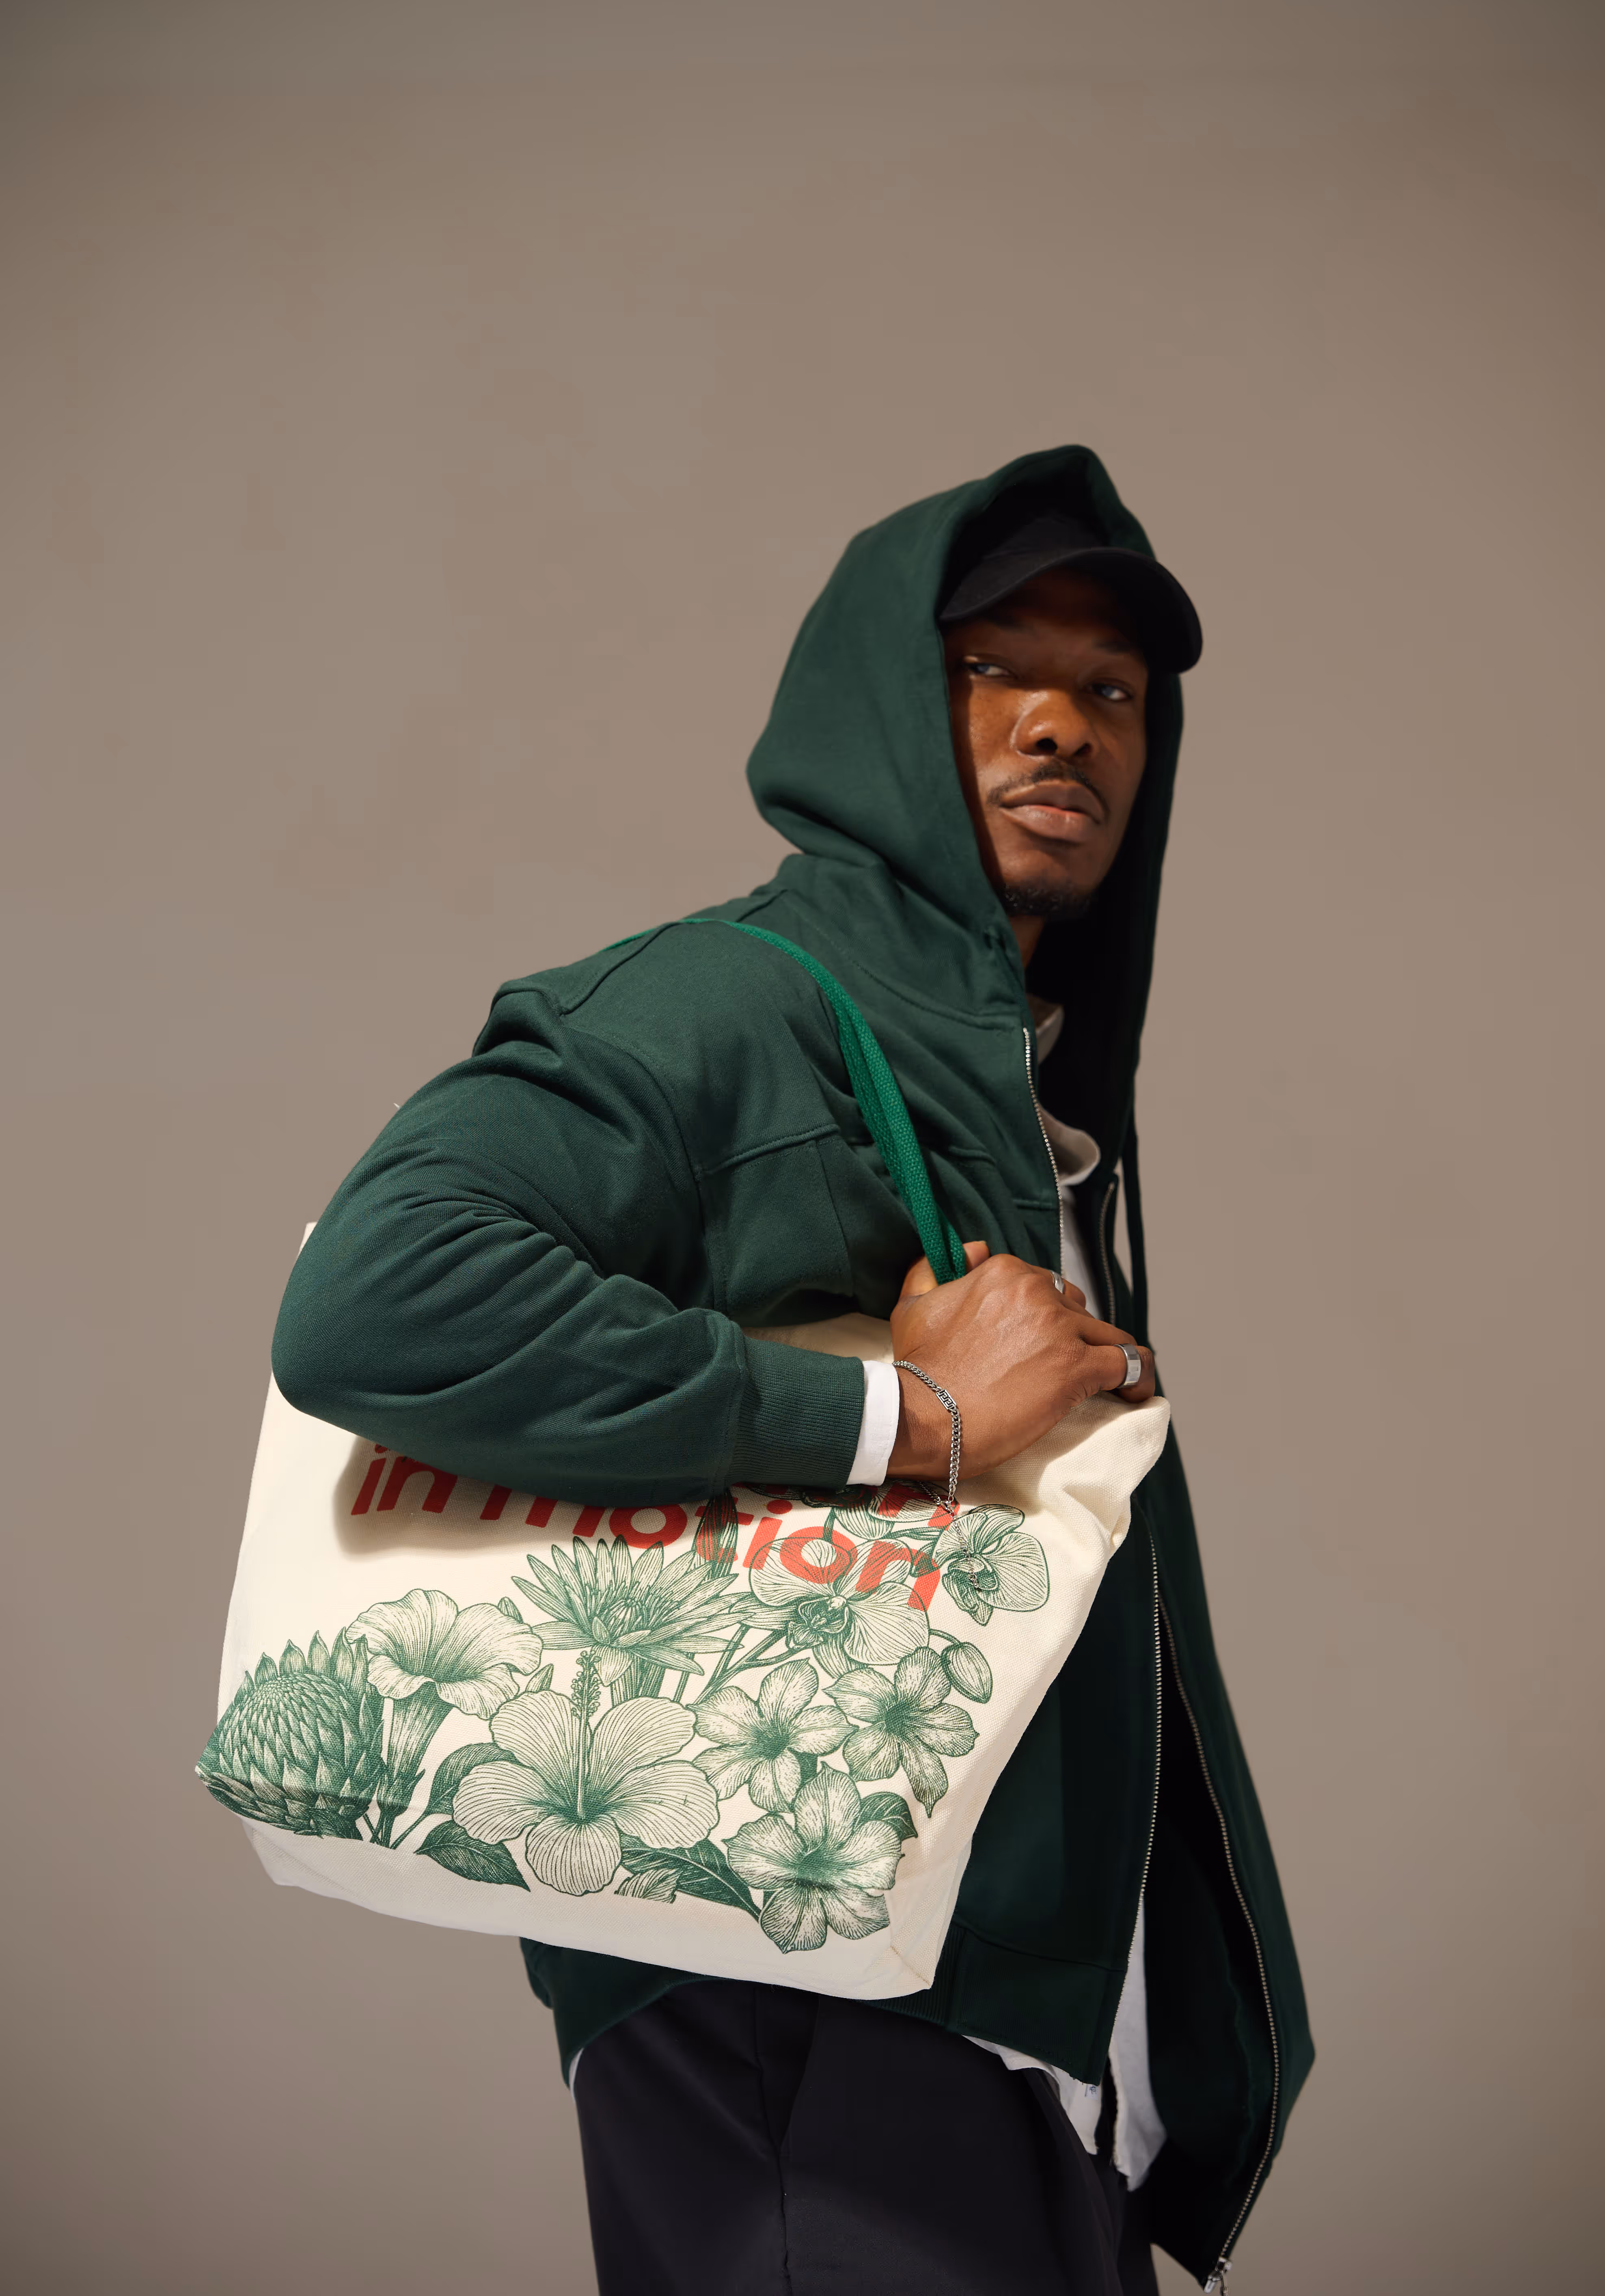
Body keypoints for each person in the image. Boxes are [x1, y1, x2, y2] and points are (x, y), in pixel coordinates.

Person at [273, 445, 1312, 2294]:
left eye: (1113, 692)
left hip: (999, 2026)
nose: (1062, 724)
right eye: (997, 666)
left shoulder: (1014, 1084)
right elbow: (376, 1296)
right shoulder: (735, 1003)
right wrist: (898, 1420)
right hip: (800, 2004)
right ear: (881, 703)